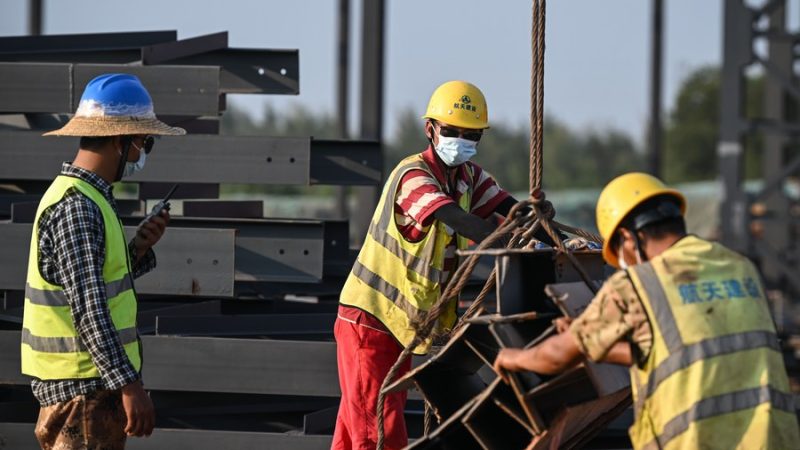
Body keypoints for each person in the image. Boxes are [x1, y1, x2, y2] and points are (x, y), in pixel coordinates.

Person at [493, 173, 800, 449]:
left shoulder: (640, 284)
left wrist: (514, 357)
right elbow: (683, 348)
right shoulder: (737, 267)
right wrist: (599, 342)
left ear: (628, 237)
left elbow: (558, 356)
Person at [332, 80, 557, 450]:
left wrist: (550, 234)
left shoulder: (468, 178)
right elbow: (462, 221)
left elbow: (508, 208)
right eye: (452, 132)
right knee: (378, 432)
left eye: (471, 135)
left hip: (400, 326)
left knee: (355, 429)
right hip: (370, 322)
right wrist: (514, 239)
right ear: (430, 129)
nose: (461, 141)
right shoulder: (413, 176)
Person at [20, 73, 186, 450]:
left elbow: (95, 284)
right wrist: (130, 386)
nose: (144, 152)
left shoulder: (89, 198)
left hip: (89, 389)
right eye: (145, 142)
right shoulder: (78, 207)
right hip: (83, 393)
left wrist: (138, 249)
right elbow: (89, 311)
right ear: (119, 139)